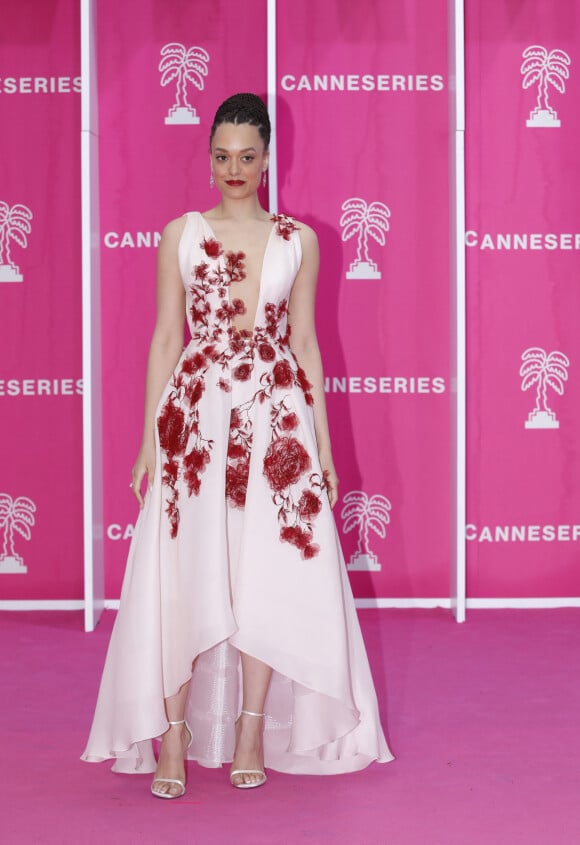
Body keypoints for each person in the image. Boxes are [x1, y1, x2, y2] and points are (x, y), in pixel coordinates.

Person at [82, 93, 393, 797]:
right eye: (221, 155)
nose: (233, 168)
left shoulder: (298, 240)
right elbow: (167, 337)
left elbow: (307, 343)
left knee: (267, 568)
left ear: (268, 156)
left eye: (247, 156)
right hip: (195, 417)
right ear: (209, 155)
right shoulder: (182, 233)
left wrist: (322, 446)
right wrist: (147, 444)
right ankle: (172, 731)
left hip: (276, 416)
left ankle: (253, 724)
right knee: (181, 568)